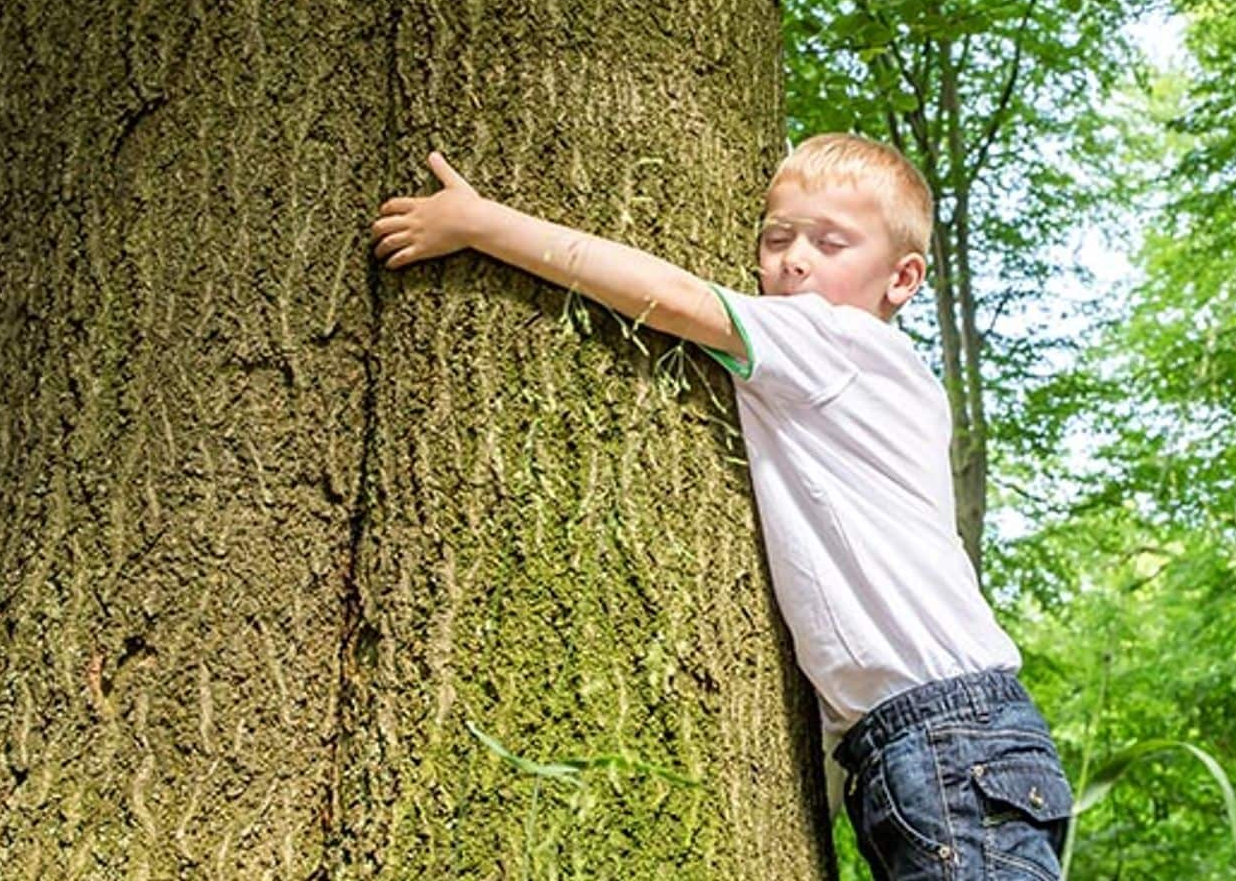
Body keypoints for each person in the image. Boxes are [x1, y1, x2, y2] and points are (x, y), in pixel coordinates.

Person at [370, 132, 1073, 880]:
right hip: (938, 741)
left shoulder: (835, 340)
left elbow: (672, 298)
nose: (795, 259)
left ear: (901, 279)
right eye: (778, 237)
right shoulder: (875, 380)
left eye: (832, 243)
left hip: (947, 740)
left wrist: (484, 225)